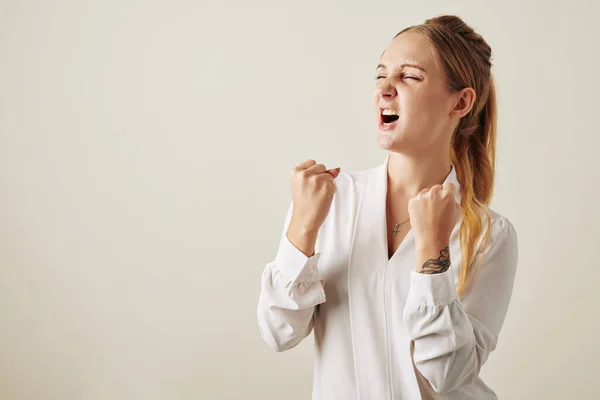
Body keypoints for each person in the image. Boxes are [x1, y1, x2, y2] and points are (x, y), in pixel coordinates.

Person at [256, 14, 518, 400]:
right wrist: (302, 232)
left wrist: (433, 254)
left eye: (409, 76)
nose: (385, 89)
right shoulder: (329, 201)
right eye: (381, 75)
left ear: (461, 102)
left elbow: (449, 374)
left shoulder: (488, 234)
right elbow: (278, 331)